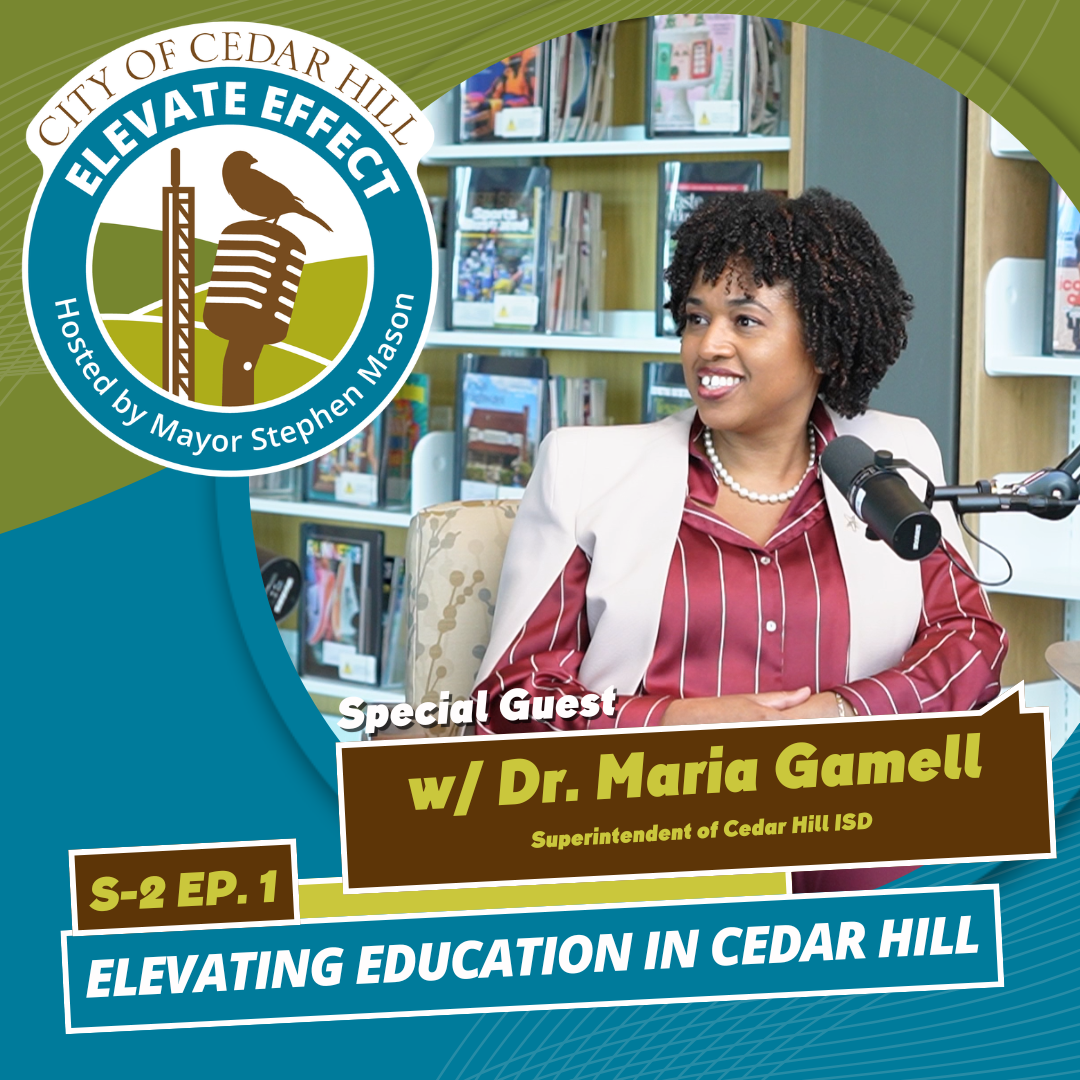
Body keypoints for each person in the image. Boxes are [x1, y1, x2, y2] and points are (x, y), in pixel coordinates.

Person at [472, 189, 1007, 891]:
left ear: (824, 336)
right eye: (696, 319)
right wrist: (680, 721)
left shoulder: (892, 455)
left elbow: (969, 638)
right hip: (644, 848)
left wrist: (844, 710)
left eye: (745, 320)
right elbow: (511, 700)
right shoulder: (587, 467)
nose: (708, 346)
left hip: (854, 843)